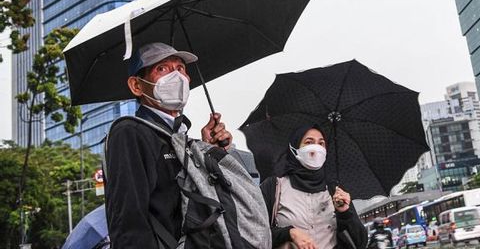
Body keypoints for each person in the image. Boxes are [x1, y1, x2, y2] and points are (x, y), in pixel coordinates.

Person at [105, 42, 233, 248]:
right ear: (136, 85)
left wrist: (208, 151)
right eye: (162, 68)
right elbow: (128, 219)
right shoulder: (130, 133)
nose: (176, 77)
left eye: (180, 68)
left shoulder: (181, 137)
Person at [260, 125, 367, 249]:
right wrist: (289, 233)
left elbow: (360, 243)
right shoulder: (274, 187)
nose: (316, 148)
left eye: (321, 143)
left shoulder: (334, 191)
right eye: (309, 142)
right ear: (294, 148)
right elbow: (256, 232)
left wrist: (345, 213)